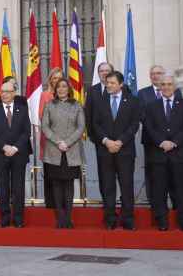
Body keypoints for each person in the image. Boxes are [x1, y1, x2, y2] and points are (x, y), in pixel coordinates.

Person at [144, 74, 183, 232]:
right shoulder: (151, 106)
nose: (166, 87)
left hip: (180, 153)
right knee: (159, 189)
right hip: (158, 154)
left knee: (181, 189)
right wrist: (161, 142)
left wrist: (174, 143)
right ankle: (162, 221)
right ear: (159, 86)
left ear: (175, 87)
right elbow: (149, 128)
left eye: (169, 84)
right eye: (163, 84)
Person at [92, 71, 140, 230]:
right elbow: (95, 124)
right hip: (105, 150)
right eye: (107, 83)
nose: (109, 85)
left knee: (126, 185)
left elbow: (134, 125)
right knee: (107, 186)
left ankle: (128, 219)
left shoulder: (132, 101)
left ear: (121, 84)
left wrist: (120, 141)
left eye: (112, 83)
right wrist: (106, 141)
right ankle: (110, 219)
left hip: (124, 150)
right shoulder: (99, 101)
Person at [41, 79, 85, 228]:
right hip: (54, 151)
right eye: (58, 87)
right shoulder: (49, 105)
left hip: (71, 151)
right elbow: (45, 127)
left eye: (64, 86)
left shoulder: (77, 105)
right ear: (55, 90)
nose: (61, 89)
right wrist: (59, 141)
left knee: (69, 185)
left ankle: (68, 218)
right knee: (56, 185)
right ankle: (60, 218)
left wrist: (68, 142)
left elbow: (81, 127)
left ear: (69, 89)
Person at [0, 81, 31, 228]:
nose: (4, 94)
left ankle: (18, 219)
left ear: (14, 93)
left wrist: (16, 147)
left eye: (7, 91)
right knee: (3, 188)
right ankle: (4, 219)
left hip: (19, 154)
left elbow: (26, 132)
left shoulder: (23, 109)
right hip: (1, 154)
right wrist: (4, 146)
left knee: (18, 188)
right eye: (2, 91)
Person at [138, 65, 183, 206]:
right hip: (152, 141)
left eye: (158, 73)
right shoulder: (142, 93)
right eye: (153, 73)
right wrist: (159, 138)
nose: (155, 76)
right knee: (153, 175)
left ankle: (176, 204)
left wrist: (170, 139)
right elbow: (143, 116)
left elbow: (179, 115)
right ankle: (154, 203)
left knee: (174, 174)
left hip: (173, 142)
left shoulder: (177, 92)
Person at [84, 61, 114, 203]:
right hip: (100, 141)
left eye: (107, 70)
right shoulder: (92, 90)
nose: (104, 73)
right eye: (102, 71)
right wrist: (93, 136)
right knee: (104, 175)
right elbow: (88, 114)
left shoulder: (123, 89)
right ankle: (107, 204)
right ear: (98, 73)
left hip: (120, 142)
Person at [38, 67, 63, 208]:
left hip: (66, 141)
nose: (57, 81)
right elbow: (42, 117)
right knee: (50, 173)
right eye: (54, 78)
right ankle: (51, 204)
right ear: (50, 80)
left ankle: (63, 203)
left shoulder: (68, 94)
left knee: (63, 173)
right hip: (49, 140)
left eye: (59, 77)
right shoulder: (45, 95)